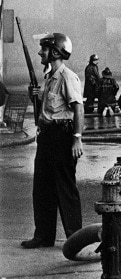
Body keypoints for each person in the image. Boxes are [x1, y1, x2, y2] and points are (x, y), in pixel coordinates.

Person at [22, 32, 84, 249]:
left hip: (62, 137)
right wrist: (35, 97)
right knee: (42, 188)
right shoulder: (49, 77)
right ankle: (43, 236)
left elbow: (78, 108)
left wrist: (77, 139)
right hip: (47, 137)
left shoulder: (67, 77)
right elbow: (46, 111)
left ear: (56, 52)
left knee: (65, 189)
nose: (41, 52)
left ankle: (76, 240)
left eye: (45, 49)